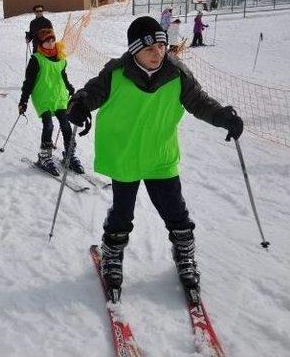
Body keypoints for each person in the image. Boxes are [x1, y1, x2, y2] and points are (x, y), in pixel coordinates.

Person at [66, 16, 243, 299]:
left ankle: (184, 253)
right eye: (149, 48)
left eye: (161, 45)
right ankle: (112, 253)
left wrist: (222, 116)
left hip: (160, 155)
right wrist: (78, 104)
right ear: (134, 50)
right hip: (125, 155)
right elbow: (91, 93)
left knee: (176, 211)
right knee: (123, 213)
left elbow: (198, 101)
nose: (157, 52)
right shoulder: (115, 72)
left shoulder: (177, 73)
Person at [19, 28, 83, 175]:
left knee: (66, 126)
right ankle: (44, 156)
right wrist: (23, 101)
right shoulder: (36, 59)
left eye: (53, 40)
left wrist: (69, 86)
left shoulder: (60, 58)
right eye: (47, 41)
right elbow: (28, 82)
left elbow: (62, 75)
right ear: (41, 43)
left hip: (59, 96)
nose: (51, 43)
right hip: (43, 97)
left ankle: (69, 154)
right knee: (48, 125)